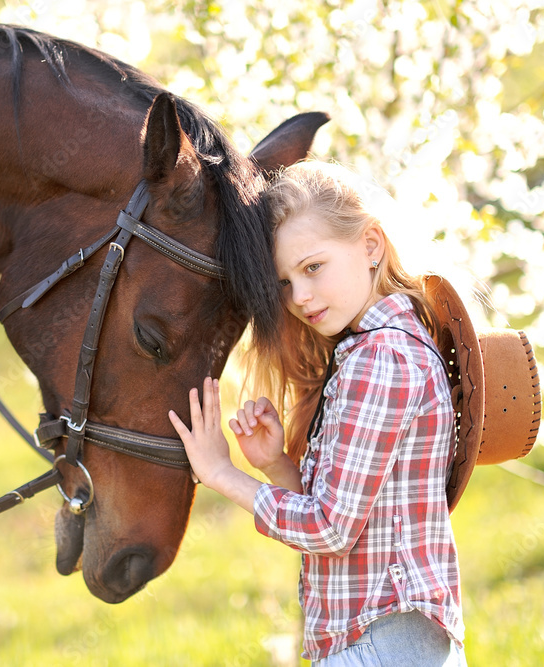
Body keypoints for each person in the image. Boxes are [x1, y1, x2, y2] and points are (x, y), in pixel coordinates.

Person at [168, 160, 467, 665]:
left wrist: (222, 474)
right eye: (284, 282)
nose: (299, 297)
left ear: (370, 245)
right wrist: (275, 466)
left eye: (312, 268)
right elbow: (347, 522)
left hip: (383, 643)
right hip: (383, 640)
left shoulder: (382, 359)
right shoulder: (374, 349)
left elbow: (329, 529)